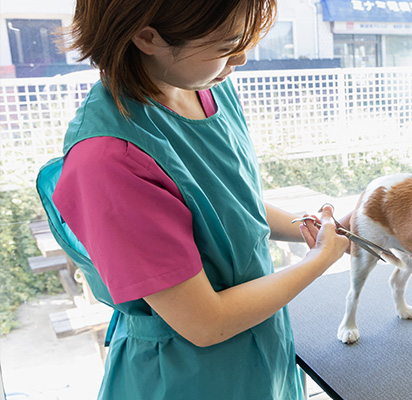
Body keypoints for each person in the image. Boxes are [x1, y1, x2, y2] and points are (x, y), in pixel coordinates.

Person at [35, 0, 350, 399]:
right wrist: (320, 260)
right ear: (148, 36)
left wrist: (313, 228)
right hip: (190, 377)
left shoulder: (206, 85)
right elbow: (205, 322)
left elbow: (229, 208)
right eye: (227, 43)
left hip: (262, 347)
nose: (242, 57)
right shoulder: (109, 160)